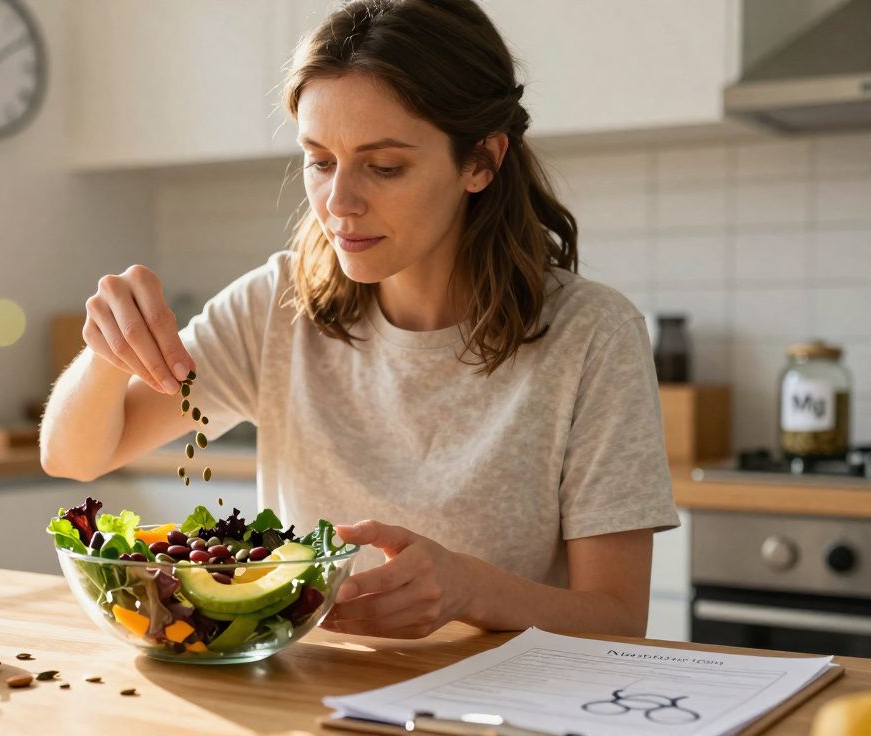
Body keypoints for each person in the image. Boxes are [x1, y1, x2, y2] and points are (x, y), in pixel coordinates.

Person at [39, 0, 679, 639]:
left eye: (384, 167)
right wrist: (105, 354)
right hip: (309, 686)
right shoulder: (276, 307)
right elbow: (73, 457)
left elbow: (618, 619)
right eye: (320, 161)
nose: (339, 203)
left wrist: (469, 589)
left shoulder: (594, 335)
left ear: (480, 161)